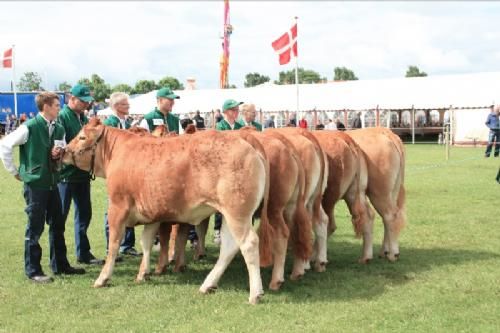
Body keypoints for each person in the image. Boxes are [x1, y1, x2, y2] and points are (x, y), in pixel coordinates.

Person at [0, 92, 86, 283]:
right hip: (36, 185)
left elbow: (59, 150)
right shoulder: (29, 127)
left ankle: (60, 265)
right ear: (46, 106)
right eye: (56, 105)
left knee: (57, 225)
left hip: (53, 182)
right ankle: (33, 270)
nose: (58, 108)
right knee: (35, 228)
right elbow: (5, 146)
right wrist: (15, 171)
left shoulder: (59, 128)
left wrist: (57, 152)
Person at [58, 84, 104, 265]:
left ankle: (83, 253)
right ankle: (60, 258)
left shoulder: (83, 117)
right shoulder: (62, 117)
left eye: (87, 101)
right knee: (60, 217)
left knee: (84, 215)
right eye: (82, 101)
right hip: (66, 176)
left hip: (82, 175)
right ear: (72, 99)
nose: (86, 104)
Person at [103, 92, 140, 257]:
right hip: (118, 170)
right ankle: (111, 246)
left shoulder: (127, 122)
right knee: (114, 207)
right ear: (116, 106)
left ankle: (127, 245)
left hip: (130, 169)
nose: (129, 107)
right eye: (125, 105)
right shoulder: (110, 123)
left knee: (129, 206)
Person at [213, 99, 243, 244]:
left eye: (237, 109)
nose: (236, 112)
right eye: (233, 110)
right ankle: (218, 230)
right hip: (223, 168)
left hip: (238, 168)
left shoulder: (240, 126)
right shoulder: (220, 126)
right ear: (225, 112)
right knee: (221, 201)